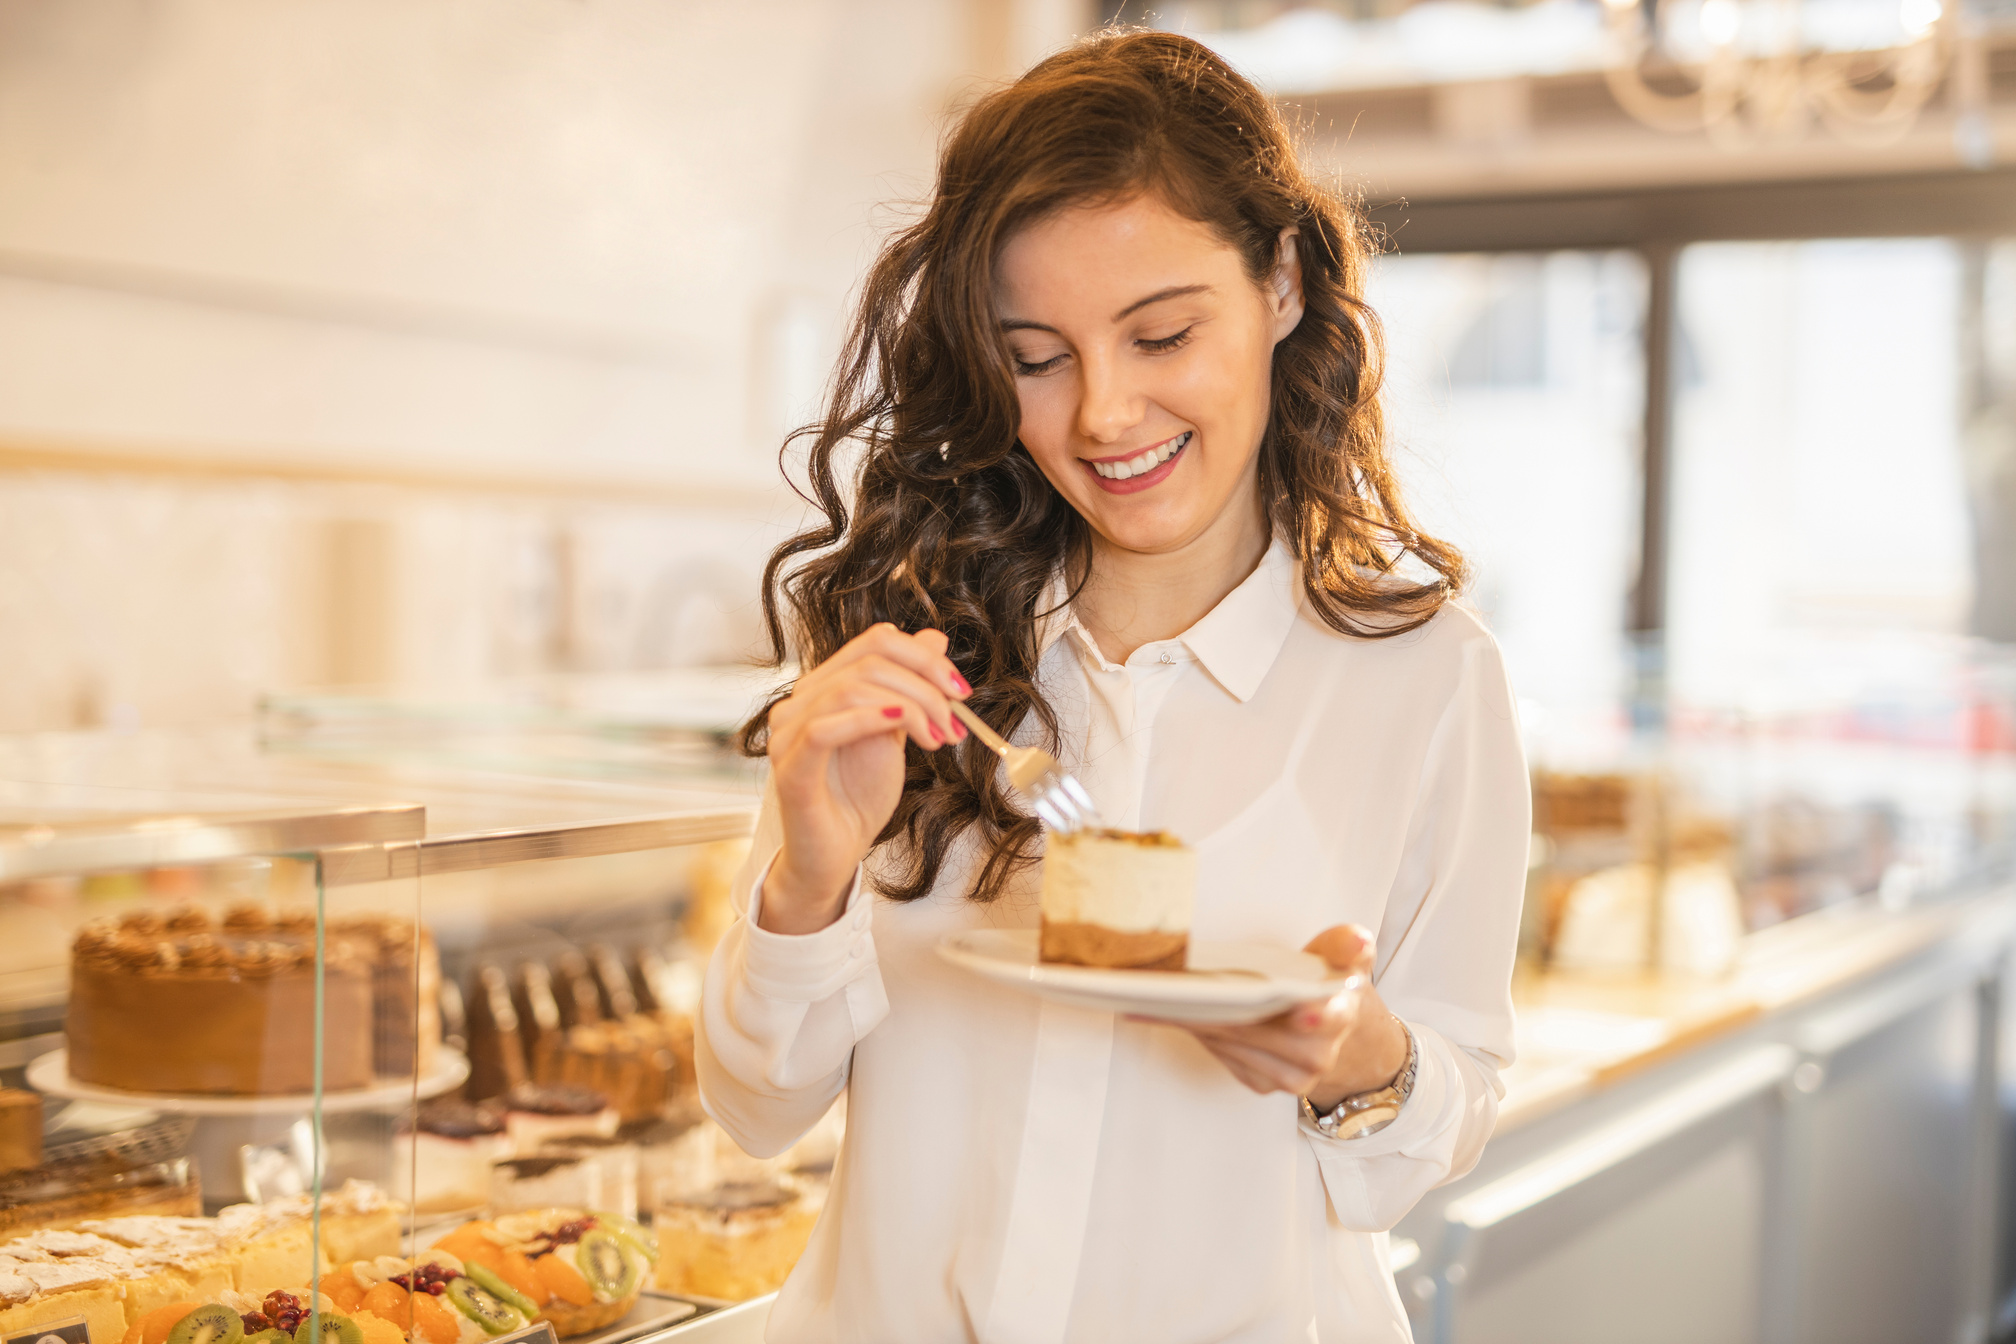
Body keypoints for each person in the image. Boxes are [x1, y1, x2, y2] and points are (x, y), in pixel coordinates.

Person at [697, 28, 1527, 1343]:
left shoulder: (1426, 680)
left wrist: (1361, 1059)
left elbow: (1432, 1129)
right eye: (1036, 356)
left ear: (1284, 286)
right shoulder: (913, 656)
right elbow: (757, 1109)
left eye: (1160, 335)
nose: (1103, 414)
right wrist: (809, 873)